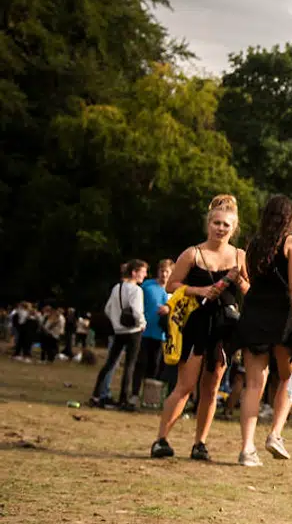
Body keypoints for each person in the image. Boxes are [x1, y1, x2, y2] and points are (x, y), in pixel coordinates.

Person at [152, 195, 249, 461]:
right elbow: (172, 285)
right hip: (195, 325)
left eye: (226, 225)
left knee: (212, 387)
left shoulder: (240, 256)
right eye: (216, 223)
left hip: (224, 327)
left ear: (234, 227)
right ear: (208, 224)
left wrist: (240, 281)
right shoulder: (193, 253)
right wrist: (198, 290)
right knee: (185, 385)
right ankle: (161, 440)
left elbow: (249, 291)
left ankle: (200, 443)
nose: (220, 228)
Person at [233, 195, 292, 466]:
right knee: (289, 379)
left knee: (254, 384)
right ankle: (275, 434)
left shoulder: (253, 245)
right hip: (283, 319)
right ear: (290, 218)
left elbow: (252, 281)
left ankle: (246, 450)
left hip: (254, 313)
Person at [90, 260, 148, 409]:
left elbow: (108, 309)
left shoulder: (117, 287)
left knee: (110, 363)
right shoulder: (136, 290)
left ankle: (96, 394)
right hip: (133, 331)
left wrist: (117, 322)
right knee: (130, 365)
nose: (145, 275)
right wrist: (142, 324)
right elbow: (137, 311)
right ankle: (124, 398)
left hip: (118, 331)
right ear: (134, 273)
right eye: (143, 271)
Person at [132, 259, 174, 399]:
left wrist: (169, 310)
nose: (164, 274)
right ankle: (135, 393)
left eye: (167, 271)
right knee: (140, 363)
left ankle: (149, 396)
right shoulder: (147, 285)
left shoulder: (174, 291)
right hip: (143, 331)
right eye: (162, 271)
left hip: (162, 335)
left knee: (155, 367)